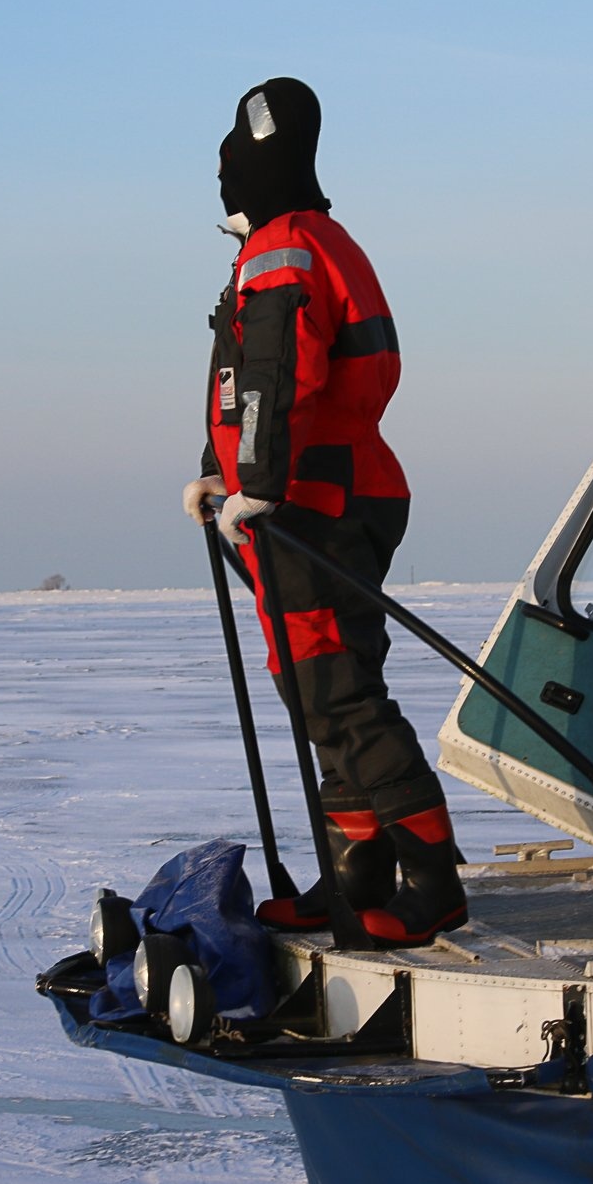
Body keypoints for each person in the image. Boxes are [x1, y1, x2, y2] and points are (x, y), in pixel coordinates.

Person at [180, 77, 466, 948]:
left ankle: (432, 882)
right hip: (293, 499)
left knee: (337, 689)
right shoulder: (289, 245)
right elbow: (242, 389)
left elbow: (276, 376)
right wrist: (214, 476)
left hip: (317, 498)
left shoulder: (287, 247)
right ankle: (356, 869)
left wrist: (257, 481)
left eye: (230, 166)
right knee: (311, 686)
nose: (220, 182)